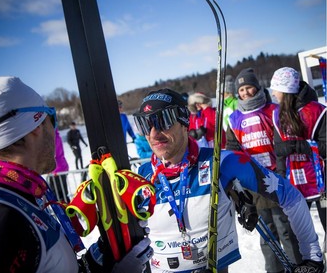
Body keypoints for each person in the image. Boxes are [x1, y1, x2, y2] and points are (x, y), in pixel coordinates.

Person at [0, 76, 152, 273]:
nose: (54, 131)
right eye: (51, 119)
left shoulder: (22, 196)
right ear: (35, 127)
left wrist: (101, 255)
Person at [133, 88, 323, 273]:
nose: (153, 133)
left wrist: (312, 257)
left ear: (184, 122)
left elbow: (290, 197)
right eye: (145, 124)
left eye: (163, 121)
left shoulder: (222, 163)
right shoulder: (139, 177)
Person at [226, 68, 302, 273]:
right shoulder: (233, 120)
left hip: (278, 178)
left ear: (258, 87)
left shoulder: (273, 110)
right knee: (267, 235)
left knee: (286, 230)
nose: (245, 92)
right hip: (253, 183)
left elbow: (286, 143)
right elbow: (233, 153)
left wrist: (283, 174)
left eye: (248, 87)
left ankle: (297, 267)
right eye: (241, 89)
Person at [271, 67, 326, 232]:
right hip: (295, 182)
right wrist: (281, 182)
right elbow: (280, 154)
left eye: (276, 89)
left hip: (321, 181)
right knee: (298, 232)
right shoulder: (277, 114)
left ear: (285, 90)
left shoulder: (317, 111)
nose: (273, 93)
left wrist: (302, 145)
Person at [49, 128, 70, 203]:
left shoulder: (53, 137)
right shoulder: (55, 136)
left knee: (59, 195)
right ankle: (68, 211)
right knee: (61, 194)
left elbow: (53, 154)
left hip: (57, 169)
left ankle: (66, 212)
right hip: (60, 168)